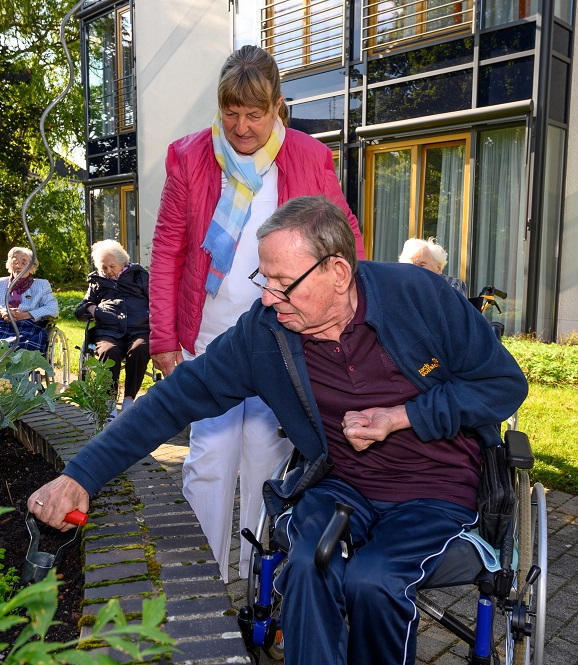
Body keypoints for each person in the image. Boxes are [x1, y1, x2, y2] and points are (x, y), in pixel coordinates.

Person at [29, 196, 528, 665]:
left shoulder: (418, 296)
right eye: (262, 279)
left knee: (376, 580)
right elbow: (171, 400)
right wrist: (81, 475)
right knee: (311, 564)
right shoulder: (266, 334)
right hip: (341, 485)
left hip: (435, 490)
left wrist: (404, 416)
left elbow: (503, 385)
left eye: (282, 283)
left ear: (337, 272)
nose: (268, 298)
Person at [148, 44, 365, 582]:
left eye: (254, 113)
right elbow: (168, 249)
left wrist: (350, 310)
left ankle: (256, 584)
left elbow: (347, 239)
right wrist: (162, 338)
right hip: (212, 335)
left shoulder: (311, 158)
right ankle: (202, 581)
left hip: (284, 335)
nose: (241, 126)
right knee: (210, 457)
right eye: (231, 112)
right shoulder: (188, 156)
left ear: (277, 108)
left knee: (267, 459)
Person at [74, 240, 151, 416]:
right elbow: (79, 311)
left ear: (122, 262)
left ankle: (129, 400)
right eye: (104, 267)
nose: (108, 271)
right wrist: (90, 308)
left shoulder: (139, 276)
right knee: (110, 351)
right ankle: (109, 403)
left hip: (138, 329)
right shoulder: (97, 281)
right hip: (108, 332)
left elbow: (157, 301)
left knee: (140, 349)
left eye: (112, 266)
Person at [0, 247, 58, 351]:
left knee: (16, 347)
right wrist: (0, 312)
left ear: (32, 267)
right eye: (15, 262)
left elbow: (52, 308)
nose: (19, 266)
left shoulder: (41, 285)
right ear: (10, 264)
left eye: (24, 262)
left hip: (27, 327)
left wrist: (26, 315)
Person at [398, 236, 468, 297]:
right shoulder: (401, 287)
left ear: (438, 268)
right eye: (410, 266)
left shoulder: (453, 285)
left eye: (421, 265)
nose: (415, 270)